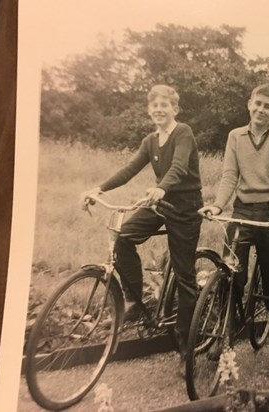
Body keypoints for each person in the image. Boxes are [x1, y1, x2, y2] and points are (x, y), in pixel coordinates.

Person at [80, 84, 203, 362]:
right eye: (154, 106)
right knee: (123, 238)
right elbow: (129, 170)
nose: (159, 110)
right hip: (161, 203)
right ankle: (135, 298)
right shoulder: (150, 140)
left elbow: (179, 167)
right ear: (149, 110)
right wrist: (98, 189)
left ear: (175, 109)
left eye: (165, 105)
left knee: (184, 274)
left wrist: (162, 187)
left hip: (185, 206)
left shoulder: (183, 132)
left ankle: (185, 337)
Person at [199, 84, 269, 380]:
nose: (261, 110)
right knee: (230, 277)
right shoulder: (235, 136)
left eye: (268, 106)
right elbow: (229, 175)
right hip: (242, 211)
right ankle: (224, 336)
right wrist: (217, 206)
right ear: (248, 104)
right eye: (258, 104)